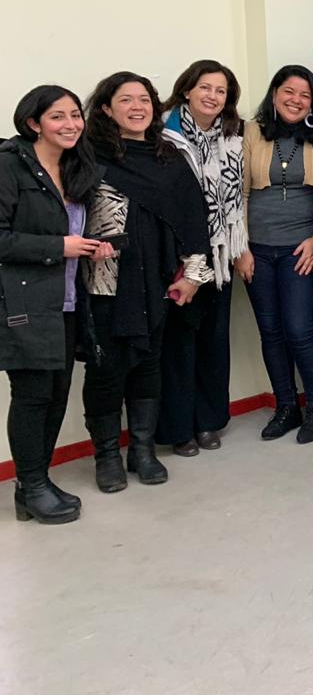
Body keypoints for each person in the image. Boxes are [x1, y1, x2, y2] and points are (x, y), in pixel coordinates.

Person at [82, 72, 213, 492]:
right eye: (126, 100)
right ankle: (106, 456)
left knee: (149, 364)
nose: (137, 107)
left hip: (157, 281)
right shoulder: (86, 156)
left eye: (144, 99)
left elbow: (195, 220)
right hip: (104, 281)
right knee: (106, 369)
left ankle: (141, 450)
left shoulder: (169, 157)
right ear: (106, 108)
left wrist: (193, 277)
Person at [0, 87, 111, 523]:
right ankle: (32, 485)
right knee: (32, 395)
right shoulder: (9, 165)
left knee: (57, 392)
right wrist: (58, 247)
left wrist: (92, 246)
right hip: (24, 300)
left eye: (75, 115)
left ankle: (34, 484)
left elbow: (73, 230)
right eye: (57, 116)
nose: (70, 124)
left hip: (66, 300)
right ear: (33, 123)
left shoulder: (75, 165)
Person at [236, 66, 313, 444]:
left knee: (299, 329)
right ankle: (286, 406)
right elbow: (237, 193)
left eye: (304, 95)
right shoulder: (250, 132)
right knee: (271, 331)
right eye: (288, 92)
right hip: (257, 249)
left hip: (302, 247)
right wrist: (240, 247)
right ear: (275, 93)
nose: (296, 100)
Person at [155, 60, 247, 457]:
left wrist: (240, 248)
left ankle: (208, 420)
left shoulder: (234, 136)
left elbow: (239, 196)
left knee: (213, 339)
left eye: (220, 90)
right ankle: (179, 428)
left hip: (220, 253)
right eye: (205, 87)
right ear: (187, 90)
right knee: (178, 344)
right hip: (180, 254)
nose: (212, 96)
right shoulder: (164, 136)